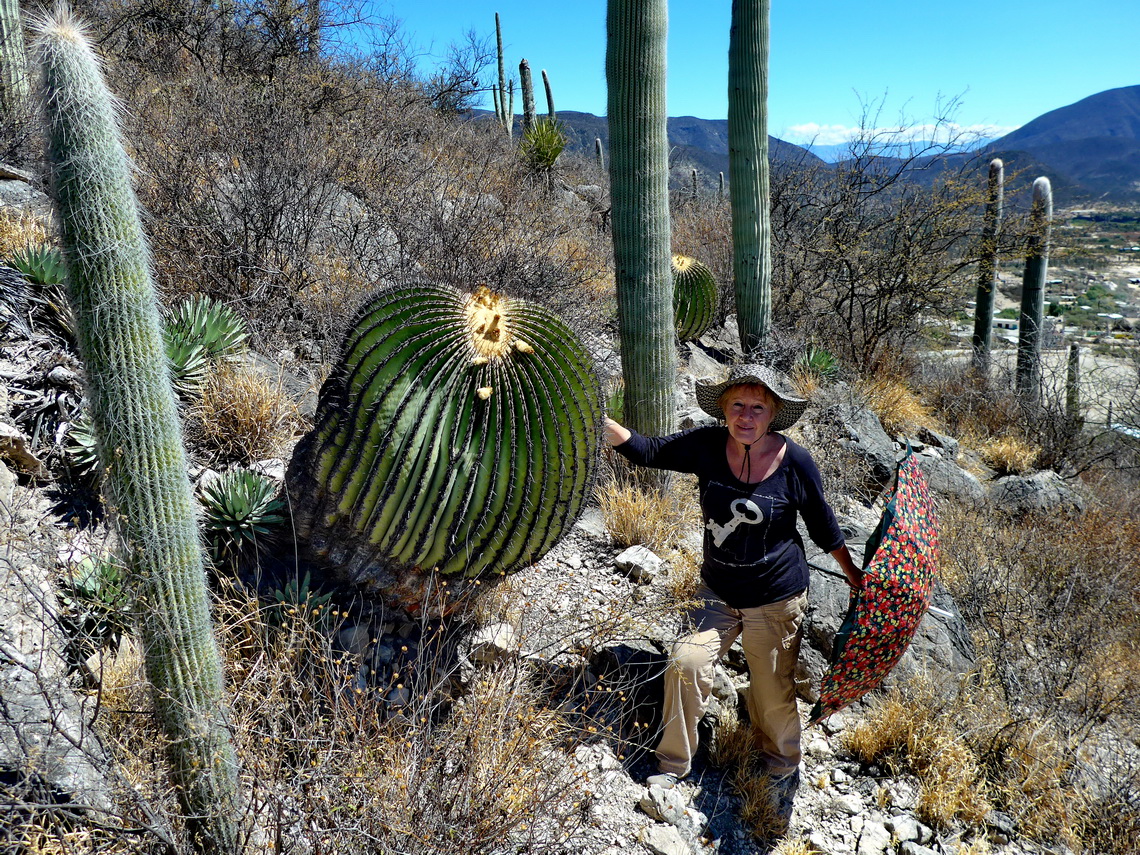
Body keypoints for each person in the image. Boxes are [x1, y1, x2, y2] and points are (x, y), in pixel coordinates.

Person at [604, 363, 862, 812]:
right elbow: (645, 450)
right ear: (723, 409)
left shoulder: (796, 462)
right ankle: (672, 764)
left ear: (773, 413)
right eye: (737, 405)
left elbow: (824, 526)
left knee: (772, 692)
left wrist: (853, 574)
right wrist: (594, 421)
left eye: (757, 407)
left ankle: (781, 764)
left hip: (776, 599)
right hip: (716, 592)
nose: (746, 416)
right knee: (685, 663)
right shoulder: (706, 445)